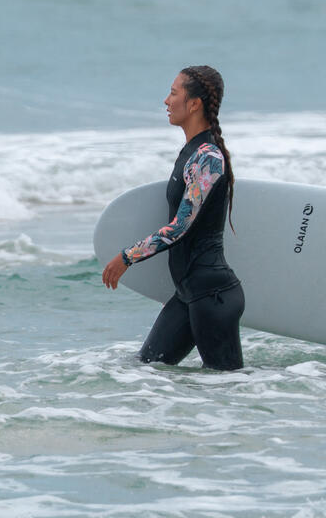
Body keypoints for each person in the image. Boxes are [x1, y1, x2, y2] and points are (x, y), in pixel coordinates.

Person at [100, 65, 244, 370]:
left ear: (194, 104)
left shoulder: (207, 158)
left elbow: (180, 227)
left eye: (174, 93)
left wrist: (126, 257)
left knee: (229, 389)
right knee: (146, 371)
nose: (166, 100)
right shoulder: (191, 152)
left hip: (212, 296)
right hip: (189, 294)